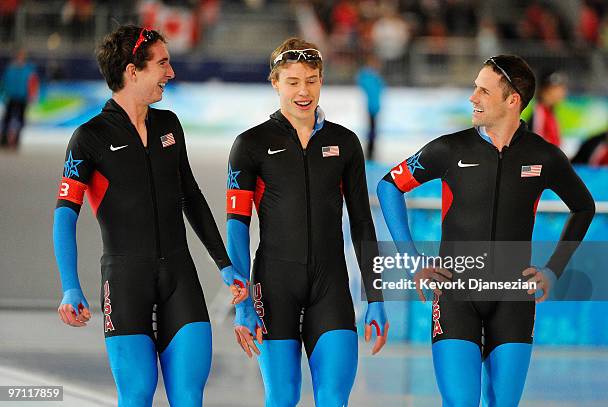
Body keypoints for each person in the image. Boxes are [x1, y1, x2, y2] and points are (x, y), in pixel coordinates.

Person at [377, 55, 595, 406]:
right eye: (474, 88)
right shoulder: (448, 148)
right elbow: (389, 187)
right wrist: (411, 259)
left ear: (512, 100)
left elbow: (584, 207)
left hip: (513, 298)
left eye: (483, 90)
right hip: (455, 294)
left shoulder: (545, 156)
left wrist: (554, 270)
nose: (472, 97)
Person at [53, 25, 247, 406]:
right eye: (163, 64)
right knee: (137, 396)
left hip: (180, 280)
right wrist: (70, 286)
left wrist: (225, 265)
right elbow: (64, 217)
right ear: (132, 71)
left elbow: (191, 197)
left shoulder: (169, 126)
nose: (170, 73)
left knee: (189, 397)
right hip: (126, 284)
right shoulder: (88, 138)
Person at [226, 37, 389, 406]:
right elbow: (236, 228)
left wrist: (375, 296)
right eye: (294, 81)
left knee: (334, 399)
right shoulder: (250, 145)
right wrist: (243, 302)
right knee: (282, 397)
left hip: (329, 288)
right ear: (275, 82)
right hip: (273, 286)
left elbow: (363, 222)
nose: (304, 91)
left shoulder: (345, 143)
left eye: (312, 80)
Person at [0, 48, 39, 149]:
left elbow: (33, 83)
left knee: (21, 120)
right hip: (11, 97)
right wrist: (4, 95)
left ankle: (16, 140)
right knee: (7, 120)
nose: (20, 58)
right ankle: (4, 140)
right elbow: (4, 83)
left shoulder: (29, 70)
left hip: (23, 98)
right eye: (19, 56)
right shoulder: (10, 69)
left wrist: (32, 95)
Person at [356, 54, 385, 161]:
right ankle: (370, 151)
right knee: (371, 129)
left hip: (375, 107)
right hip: (371, 107)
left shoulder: (374, 76)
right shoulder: (369, 76)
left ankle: (371, 151)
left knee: (373, 129)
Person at [528, 69, 568, 147]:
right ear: (544, 91)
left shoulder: (550, 113)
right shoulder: (539, 114)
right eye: (555, 88)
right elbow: (535, 147)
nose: (562, 92)